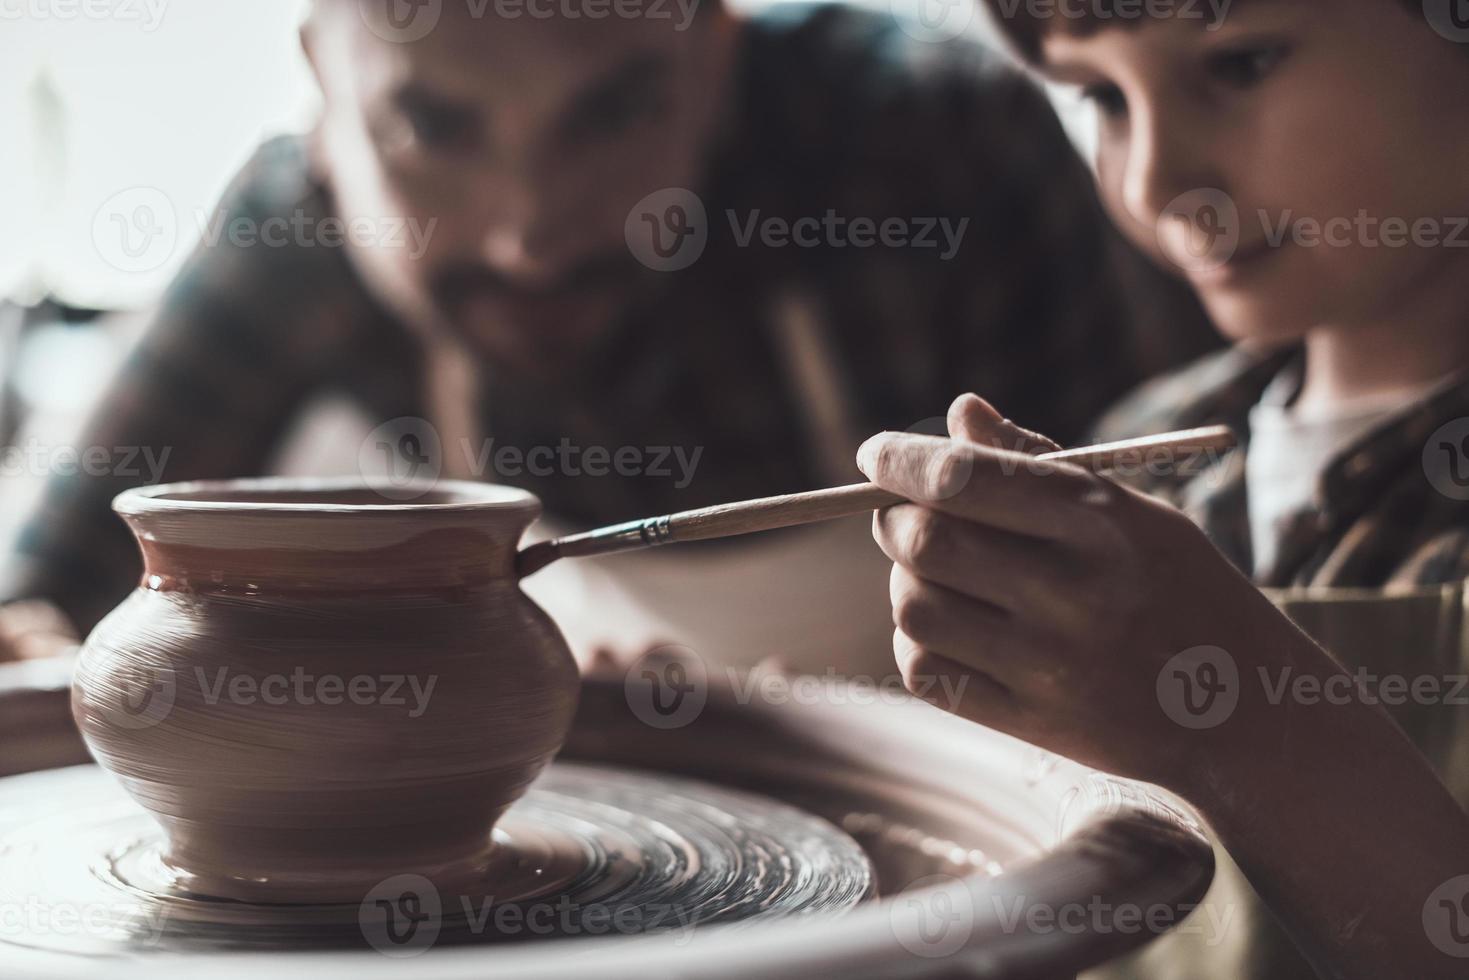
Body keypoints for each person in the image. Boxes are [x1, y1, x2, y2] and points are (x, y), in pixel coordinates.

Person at [0, 0, 1212, 658]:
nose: (532, 235)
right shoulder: (294, 234)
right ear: (326, 87)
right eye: (432, 127)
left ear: (717, 51)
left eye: (614, 114)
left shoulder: (935, 143)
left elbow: (1187, 549)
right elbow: (44, 602)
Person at [856, 1, 1469, 977]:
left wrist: (1235, 720)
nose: (1155, 178)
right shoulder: (1148, 445)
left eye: (1239, 64)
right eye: (1101, 96)